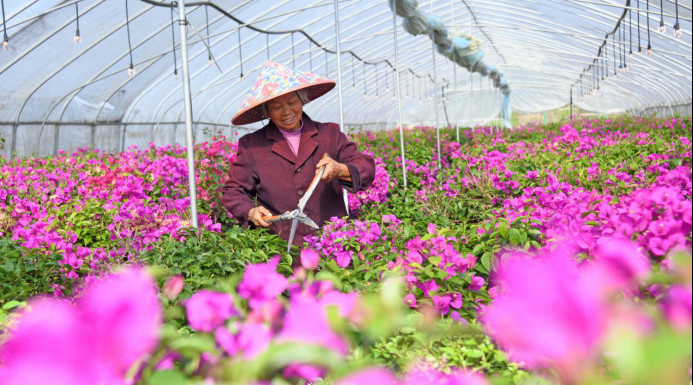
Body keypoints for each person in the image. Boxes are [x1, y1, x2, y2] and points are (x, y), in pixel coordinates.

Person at [222, 61, 375, 246]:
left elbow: (365, 167)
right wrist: (250, 211)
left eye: (292, 102)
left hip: (333, 244)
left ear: (301, 100)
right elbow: (233, 190)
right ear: (267, 110)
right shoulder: (253, 146)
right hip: (283, 248)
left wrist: (340, 169)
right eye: (277, 106)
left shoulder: (329, 134)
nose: (287, 111)